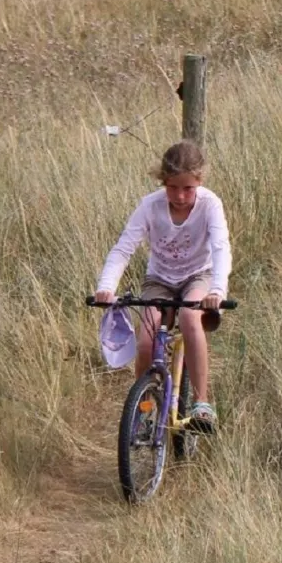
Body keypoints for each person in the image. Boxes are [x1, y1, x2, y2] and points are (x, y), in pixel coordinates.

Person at [94, 139, 231, 433]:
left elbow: (221, 248)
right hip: (160, 279)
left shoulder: (210, 204)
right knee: (146, 340)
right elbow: (123, 248)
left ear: (200, 181)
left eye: (188, 188)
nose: (180, 196)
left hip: (198, 275)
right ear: (163, 181)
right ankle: (143, 411)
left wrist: (217, 291)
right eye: (172, 187)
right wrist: (106, 287)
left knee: (190, 317)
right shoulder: (150, 205)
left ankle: (202, 403)